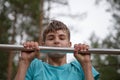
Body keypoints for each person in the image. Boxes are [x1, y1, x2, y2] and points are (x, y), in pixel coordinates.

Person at [15, 20, 99, 80]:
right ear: (43, 45)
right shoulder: (34, 66)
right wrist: (24, 62)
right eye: (51, 38)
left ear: (69, 45)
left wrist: (86, 64)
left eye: (62, 38)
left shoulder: (80, 66)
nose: (56, 41)